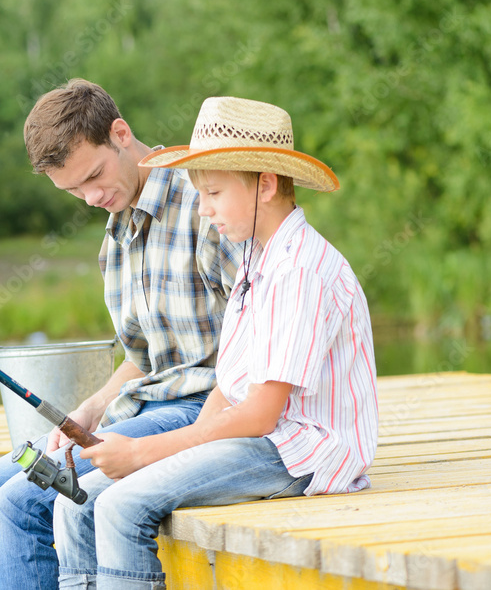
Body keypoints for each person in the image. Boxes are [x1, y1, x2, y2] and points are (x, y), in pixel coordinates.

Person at [53, 96, 379, 590]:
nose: (203, 210)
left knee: (121, 505)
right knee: (75, 499)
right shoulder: (254, 258)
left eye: (213, 193)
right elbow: (228, 388)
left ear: (265, 185)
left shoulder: (300, 270)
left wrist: (143, 455)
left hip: (299, 451)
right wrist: (168, 454)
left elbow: (261, 415)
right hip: (255, 438)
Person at [0, 79, 244, 589]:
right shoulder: (114, 239)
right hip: (142, 405)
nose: (91, 198)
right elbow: (141, 359)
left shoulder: (206, 204)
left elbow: (257, 333)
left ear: (121, 133)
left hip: (204, 408)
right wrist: (85, 413)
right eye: (73, 191)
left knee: (21, 505)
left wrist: (196, 430)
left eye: (94, 176)